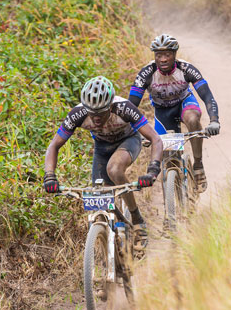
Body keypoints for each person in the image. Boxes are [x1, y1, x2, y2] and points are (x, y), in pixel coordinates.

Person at [44, 76, 163, 250]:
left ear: (111, 106)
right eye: (92, 113)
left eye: (101, 113)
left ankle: (137, 219)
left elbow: (155, 139)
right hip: (102, 147)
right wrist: (49, 176)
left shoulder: (124, 108)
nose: (96, 118)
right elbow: (54, 145)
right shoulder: (78, 114)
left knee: (114, 169)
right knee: (100, 197)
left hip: (128, 140)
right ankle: (116, 247)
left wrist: (153, 170)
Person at [128, 33, 220, 193]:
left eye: (167, 55)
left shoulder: (186, 69)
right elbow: (130, 107)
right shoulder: (146, 73)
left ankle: (198, 164)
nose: (163, 59)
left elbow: (207, 96)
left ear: (175, 55)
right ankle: (173, 204)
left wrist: (214, 120)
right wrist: (132, 131)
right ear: (154, 56)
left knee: (192, 119)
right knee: (169, 160)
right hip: (163, 112)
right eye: (159, 55)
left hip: (185, 104)